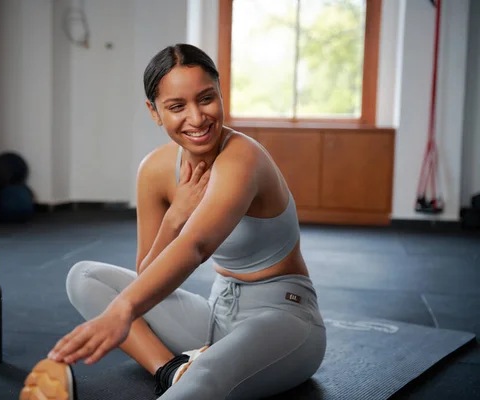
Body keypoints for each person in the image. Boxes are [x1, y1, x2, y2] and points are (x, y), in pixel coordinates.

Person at [19, 43, 326, 400]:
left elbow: (196, 247)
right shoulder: (155, 170)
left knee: (206, 375)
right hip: (216, 315)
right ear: (154, 111)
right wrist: (175, 215)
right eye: (177, 106)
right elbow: (146, 274)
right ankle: (172, 369)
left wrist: (122, 310)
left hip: (284, 319)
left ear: (221, 93)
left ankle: (191, 375)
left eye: (206, 98)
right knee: (83, 277)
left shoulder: (242, 159)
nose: (196, 118)